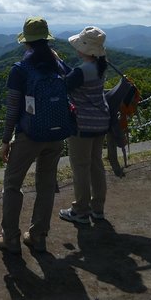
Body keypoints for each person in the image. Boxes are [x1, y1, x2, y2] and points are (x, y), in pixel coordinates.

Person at [0, 16, 67, 254]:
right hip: (56, 135)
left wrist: (6, 140)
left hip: (29, 136)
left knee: (12, 184)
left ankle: (11, 238)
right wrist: (60, 59)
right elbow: (75, 80)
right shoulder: (58, 66)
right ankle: (38, 236)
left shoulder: (20, 70)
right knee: (46, 184)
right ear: (46, 40)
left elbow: (13, 109)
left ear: (26, 42)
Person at [59, 26, 111, 224]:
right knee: (96, 165)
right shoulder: (99, 66)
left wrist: (57, 63)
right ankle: (98, 208)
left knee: (80, 166)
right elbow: (73, 76)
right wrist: (61, 63)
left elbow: (65, 84)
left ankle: (80, 210)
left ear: (85, 49)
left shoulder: (83, 70)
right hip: (101, 121)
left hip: (83, 124)